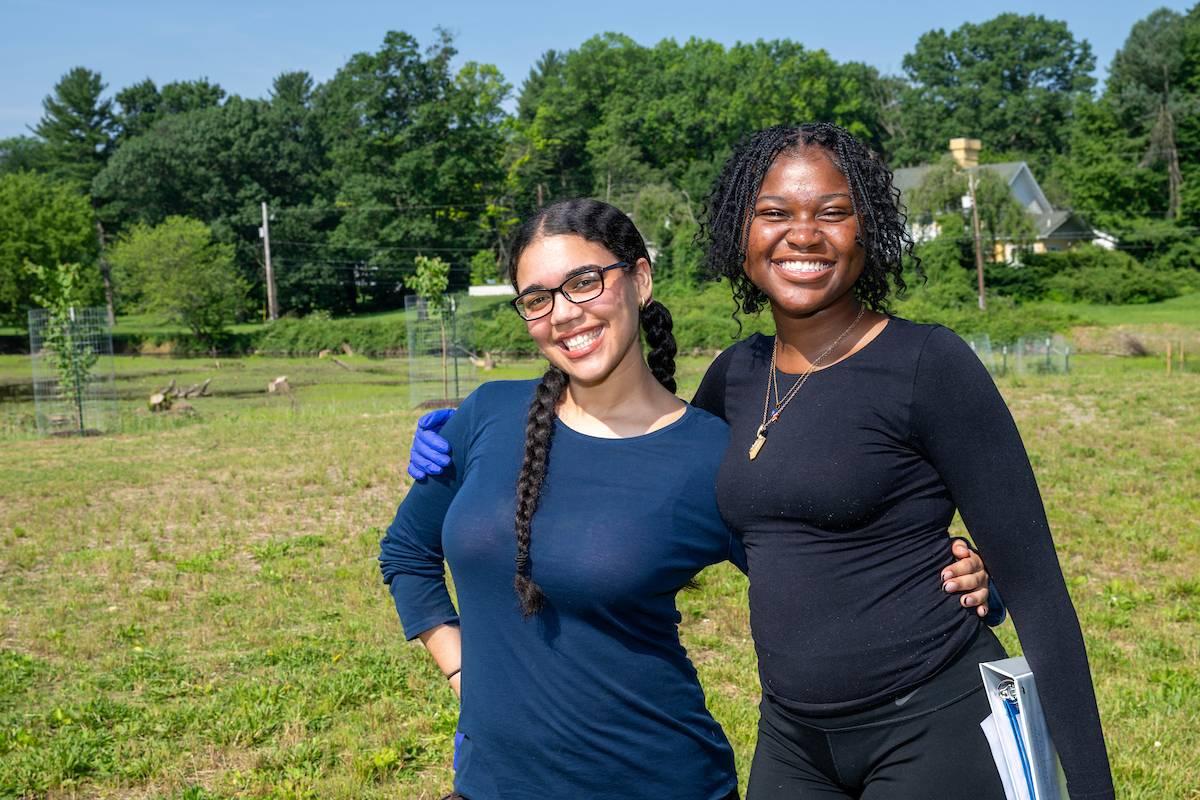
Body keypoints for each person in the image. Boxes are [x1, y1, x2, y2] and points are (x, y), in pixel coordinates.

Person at [409, 123, 1113, 799]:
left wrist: (987, 578)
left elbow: (1041, 592)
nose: (802, 233)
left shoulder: (930, 364)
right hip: (793, 738)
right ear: (741, 236)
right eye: (774, 211)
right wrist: (472, 446)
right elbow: (657, 472)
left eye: (832, 211)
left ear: (866, 229)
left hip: (931, 713)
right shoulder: (738, 377)